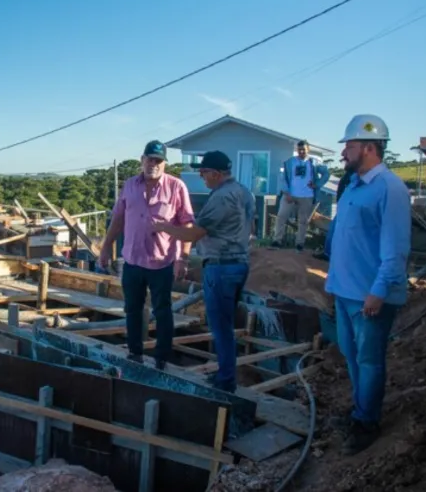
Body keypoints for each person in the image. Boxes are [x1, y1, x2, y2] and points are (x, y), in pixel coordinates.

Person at [326, 114, 411, 455]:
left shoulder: (390, 188)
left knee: (370, 359)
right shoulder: (353, 187)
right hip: (344, 291)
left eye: (348, 146)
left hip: (369, 296)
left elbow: (396, 250)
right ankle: (360, 409)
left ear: (369, 147)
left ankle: (367, 422)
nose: (343, 153)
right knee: (351, 355)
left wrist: (377, 292)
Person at [152, 151, 255, 392]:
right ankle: (225, 374)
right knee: (226, 325)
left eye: (205, 172)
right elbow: (250, 227)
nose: (202, 176)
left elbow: (193, 234)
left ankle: (226, 381)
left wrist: (162, 226)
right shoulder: (244, 192)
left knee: (220, 327)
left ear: (217, 173)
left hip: (221, 267)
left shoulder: (221, 197)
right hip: (240, 264)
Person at [100, 140, 194, 370]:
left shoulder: (176, 187)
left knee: (162, 310)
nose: (153, 164)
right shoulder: (130, 185)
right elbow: (118, 219)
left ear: (164, 164)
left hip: (162, 262)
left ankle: (162, 358)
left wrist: (183, 257)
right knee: (132, 308)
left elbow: (187, 225)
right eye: (149, 159)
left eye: (158, 160)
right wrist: (105, 247)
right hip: (132, 260)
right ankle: (135, 353)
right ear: (142, 160)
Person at [273, 140, 330, 251]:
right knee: (281, 216)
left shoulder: (313, 163)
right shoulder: (290, 162)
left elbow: (326, 173)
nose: (301, 151)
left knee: (303, 221)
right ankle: (277, 241)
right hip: (290, 195)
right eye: (299, 149)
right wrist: (286, 192)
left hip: (307, 196)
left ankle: (300, 243)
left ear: (308, 150)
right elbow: (283, 178)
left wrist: (317, 184)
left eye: (303, 149)